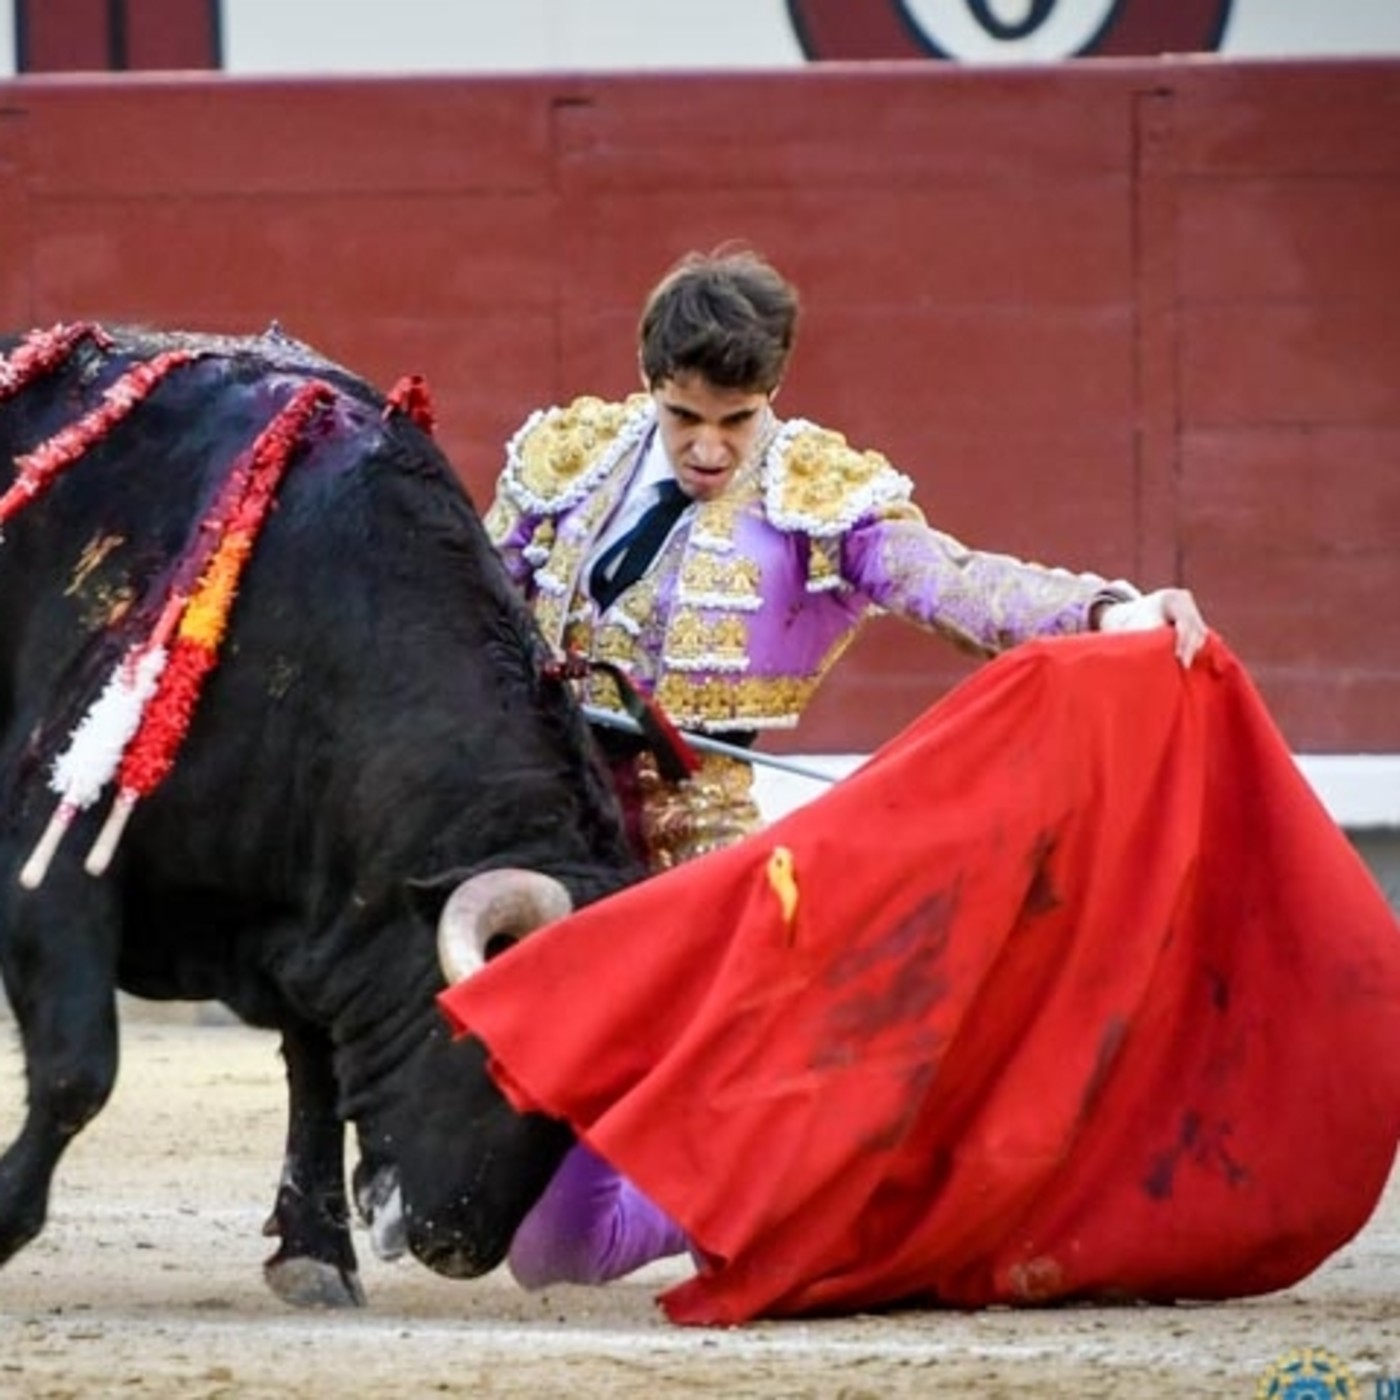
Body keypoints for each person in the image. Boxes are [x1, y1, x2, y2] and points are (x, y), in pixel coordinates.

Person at [479, 246, 1212, 1293]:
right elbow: (468, 603)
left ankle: (755, 1189)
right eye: (686, 416)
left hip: (698, 856)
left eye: (738, 419)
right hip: (535, 808)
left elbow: (950, 583)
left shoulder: (816, 492)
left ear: (771, 393)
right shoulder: (571, 459)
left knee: (560, 1252)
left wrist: (1103, 610)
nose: (709, 447)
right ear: (649, 385)